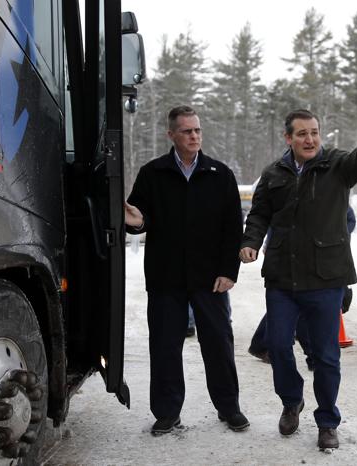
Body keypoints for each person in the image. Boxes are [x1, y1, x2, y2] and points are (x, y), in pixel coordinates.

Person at [240, 91, 357, 450]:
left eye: (314, 132)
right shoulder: (273, 173)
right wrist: (250, 241)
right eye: (302, 134)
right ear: (288, 138)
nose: (310, 139)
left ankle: (327, 420)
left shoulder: (338, 166)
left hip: (326, 278)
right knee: (278, 346)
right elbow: (260, 214)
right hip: (282, 277)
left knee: (326, 355)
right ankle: (291, 400)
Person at [125, 105, 249, 435]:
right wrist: (137, 223)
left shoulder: (219, 174)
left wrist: (229, 271)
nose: (194, 136)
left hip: (211, 278)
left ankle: (229, 407)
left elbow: (232, 227)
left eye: (197, 130)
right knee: (165, 346)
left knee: (219, 344)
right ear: (171, 135)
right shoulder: (153, 173)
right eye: (187, 131)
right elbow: (140, 216)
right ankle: (166, 412)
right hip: (166, 277)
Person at [248, 207, 357, 368]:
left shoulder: (329, 190)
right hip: (291, 256)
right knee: (291, 305)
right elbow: (275, 216)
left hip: (322, 257)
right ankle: (311, 356)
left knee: (296, 306)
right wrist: (270, 242)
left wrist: (333, 238)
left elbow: (349, 219)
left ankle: (264, 344)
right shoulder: (288, 187)